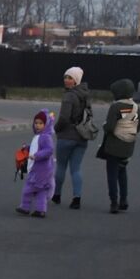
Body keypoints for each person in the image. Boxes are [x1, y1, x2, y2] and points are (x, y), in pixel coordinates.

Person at [97, 79, 140, 214]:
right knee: (122, 172)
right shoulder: (135, 107)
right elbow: (137, 127)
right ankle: (124, 200)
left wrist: (104, 126)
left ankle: (114, 202)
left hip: (114, 145)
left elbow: (109, 127)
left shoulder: (116, 107)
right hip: (128, 145)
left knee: (112, 174)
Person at [51, 66, 91, 209]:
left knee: (61, 166)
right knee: (76, 168)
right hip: (82, 137)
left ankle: (56, 195)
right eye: (65, 77)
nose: (66, 80)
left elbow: (63, 118)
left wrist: (56, 129)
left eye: (70, 78)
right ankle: (77, 198)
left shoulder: (69, 96)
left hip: (67, 136)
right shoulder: (86, 95)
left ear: (76, 81)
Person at [16, 110, 56, 218]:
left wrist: (36, 155)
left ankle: (24, 207)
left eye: (41, 123)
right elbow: (36, 146)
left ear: (46, 124)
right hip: (41, 169)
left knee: (28, 189)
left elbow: (49, 150)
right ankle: (40, 210)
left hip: (40, 169)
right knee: (41, 191)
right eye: (36, 123)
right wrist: (27, 148)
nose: (38, 125)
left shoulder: (45, 137)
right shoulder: (39, 136)